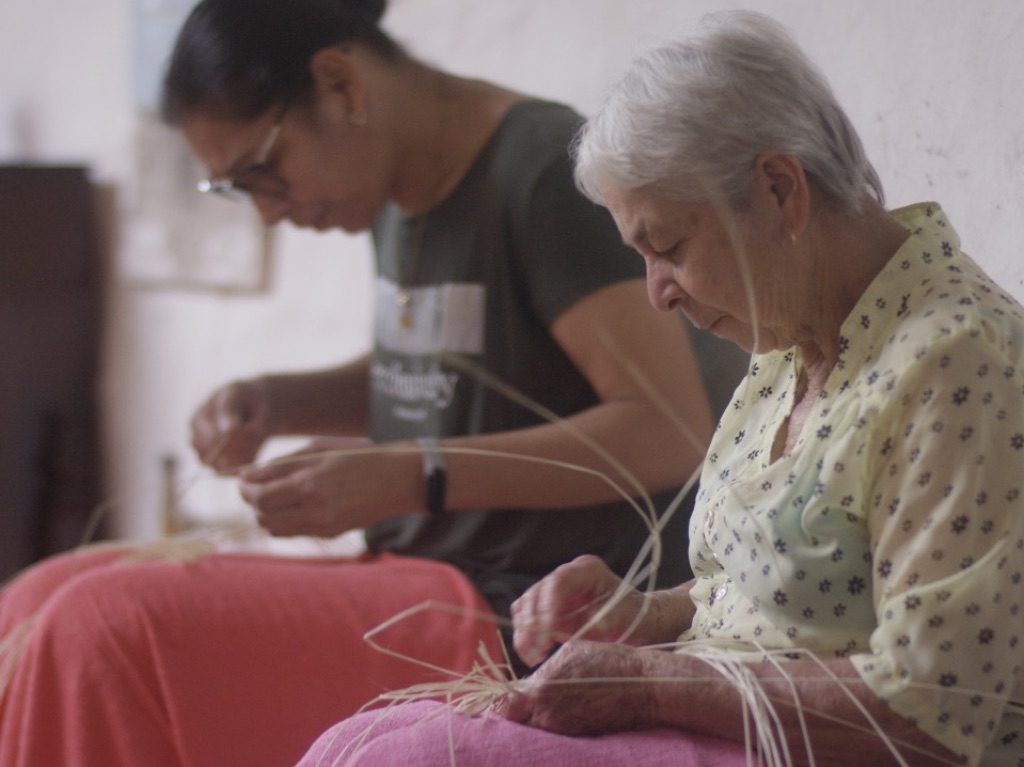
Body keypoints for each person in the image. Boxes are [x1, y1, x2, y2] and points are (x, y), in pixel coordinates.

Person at [0, 1, 748, 766]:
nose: (268, 213)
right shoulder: (396, 192)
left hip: (517, 606)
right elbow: (453, 370)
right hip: (416, 569)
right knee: (30, 599)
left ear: (340, 84)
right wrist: (279, 399)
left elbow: (666, 429)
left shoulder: (540, 170)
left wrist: (414, 473)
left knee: (96, 629)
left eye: (262, 172)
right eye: (236, 191)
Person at [295, 10, 1024, 767]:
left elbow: (937, 708)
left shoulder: (956, 362)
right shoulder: (793, 342)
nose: (658, 294)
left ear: (779, 190)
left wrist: (649, 683)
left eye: (668, 247)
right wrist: (641, 614)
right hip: (723, 728)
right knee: (362, 741)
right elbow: (766, 602)